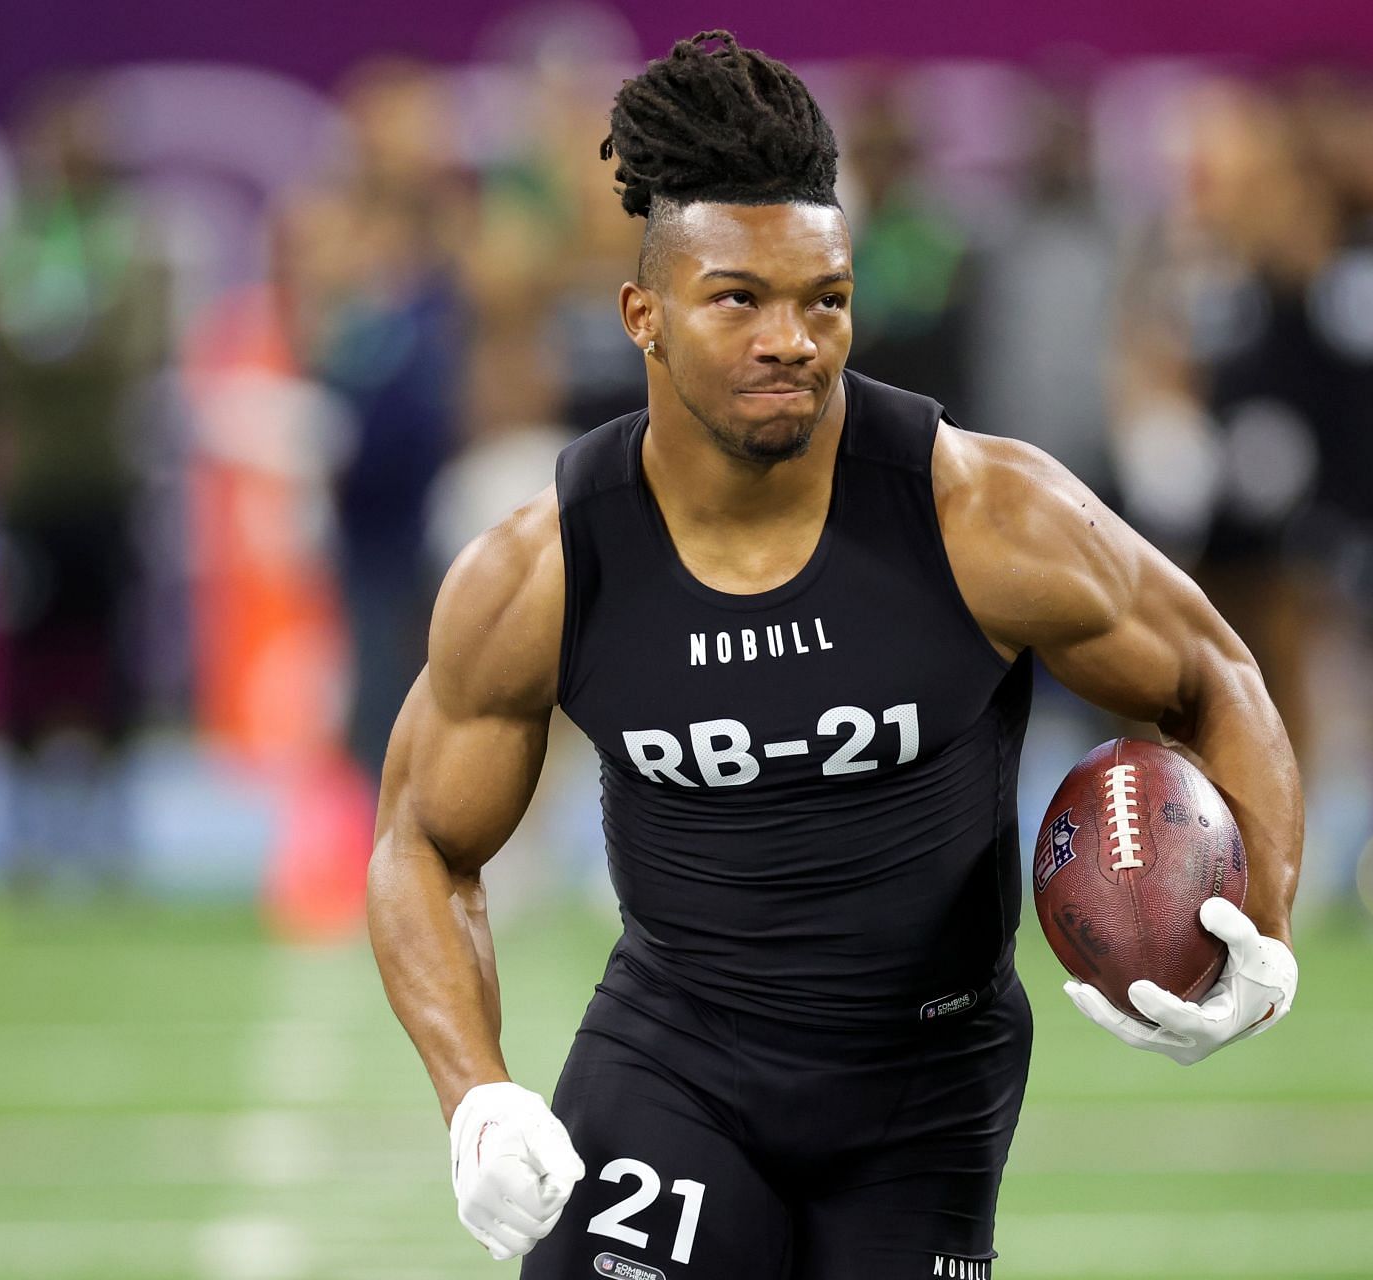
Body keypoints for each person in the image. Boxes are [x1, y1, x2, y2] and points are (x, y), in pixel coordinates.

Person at [368, 32, 1303, 1276]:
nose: (791, 339)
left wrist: (1265, 930)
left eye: (825, 299)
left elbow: (1214, 679)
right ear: (643, 315)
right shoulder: (542, 566)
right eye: (739, 299)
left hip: (928, 1081)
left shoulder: (986, 516)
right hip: (676, 1058)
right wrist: (474, 1092)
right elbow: (422, 841)